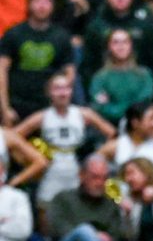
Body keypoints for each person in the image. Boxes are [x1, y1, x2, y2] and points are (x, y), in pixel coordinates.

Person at [16, 73, 115, 206]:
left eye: (66, 88)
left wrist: (99, 156)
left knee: (78, 207)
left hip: (77, 167)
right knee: (45, 206)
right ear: (49, 92)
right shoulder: (42, 116)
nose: (62, 93)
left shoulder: (83, 114)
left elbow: (112, 133)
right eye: (57, 88)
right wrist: (29, 156)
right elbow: (13, 137)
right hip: (51, 168)